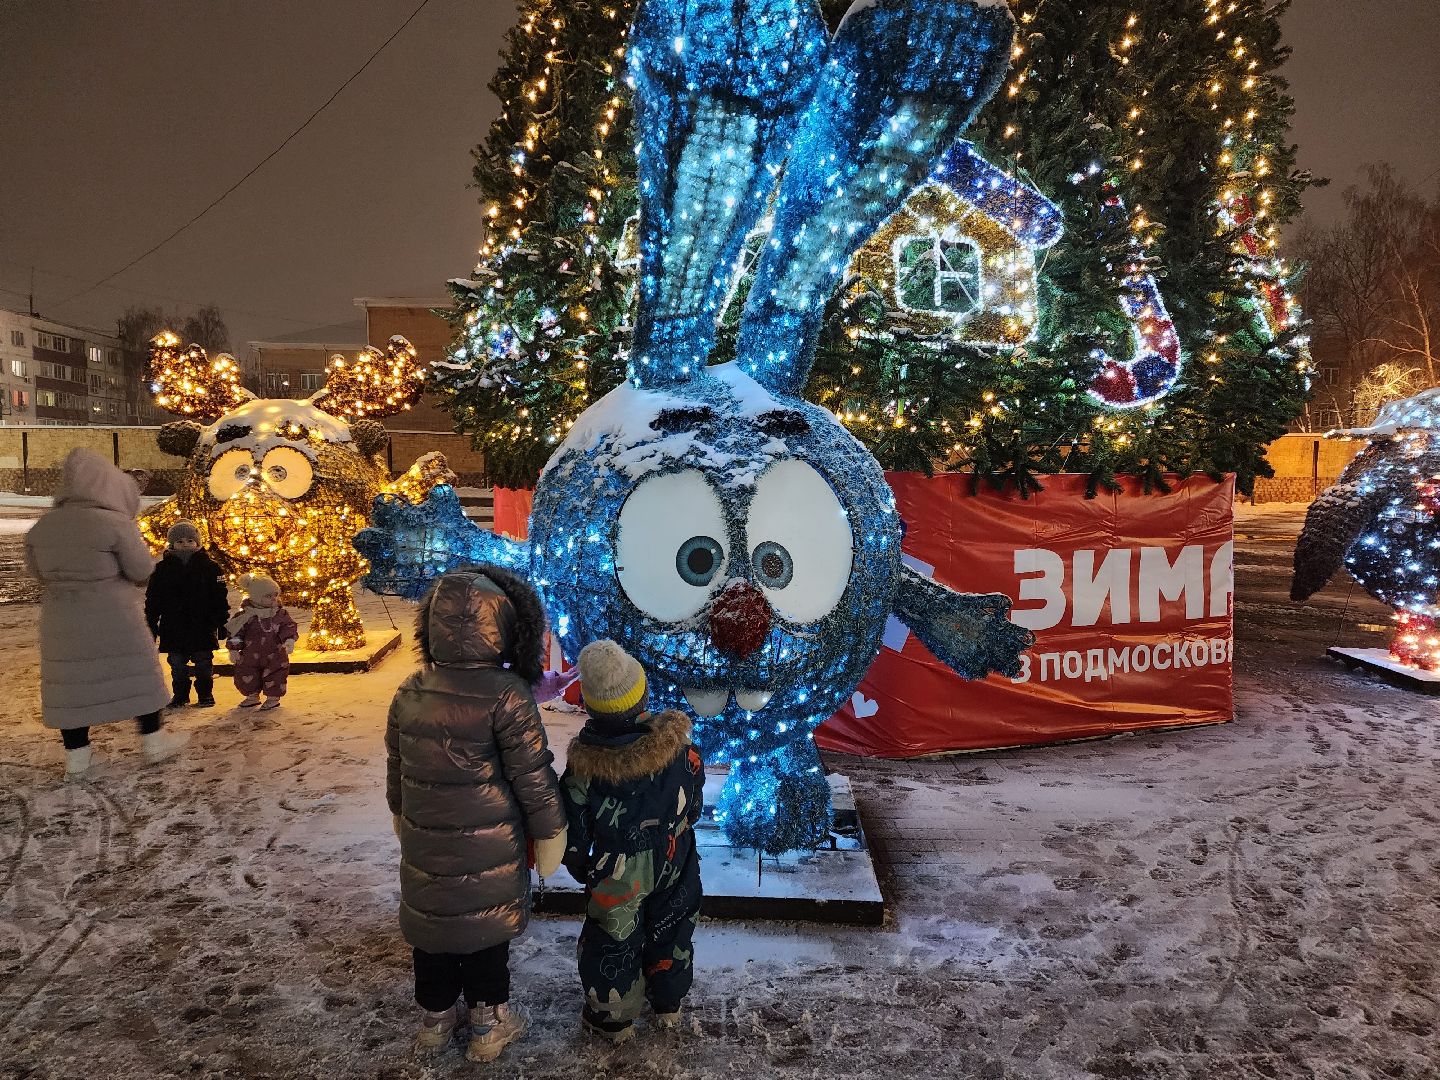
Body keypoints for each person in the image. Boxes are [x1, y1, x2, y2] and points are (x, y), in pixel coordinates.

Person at [385, 565, 568, 1063]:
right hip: (490, 847)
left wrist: (401, 813)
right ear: (506, 628)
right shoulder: (506, 694)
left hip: (426, 842)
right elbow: (532, 774)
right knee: (485, 932)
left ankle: (436, 1019)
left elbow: (397, 764)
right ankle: (488, 1023)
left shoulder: (411, 689)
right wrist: (551, 830)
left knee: (434, 930)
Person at [561, 639, 705, 1043]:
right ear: (643, 695)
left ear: (590, 707)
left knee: (614, 935)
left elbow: (573, 817)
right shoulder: (680, 748)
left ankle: (613, 1018)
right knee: (673, 924)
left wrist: (578, 859)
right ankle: (668, 1001)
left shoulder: (585, 765)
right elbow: (693, 800)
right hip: (675, 856)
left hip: (617, 865)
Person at [25, 448, 186, 780]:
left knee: (70, 685)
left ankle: (78, 760)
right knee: (137, 677)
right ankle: (154, 742)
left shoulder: (43, 527)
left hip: (61, 619)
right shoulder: (114, 524)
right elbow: (140, 571)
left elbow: (37, 573)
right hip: (114, 616)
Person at [145, 519, 229, 708]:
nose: (185, 544)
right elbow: (153, 599)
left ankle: (205, 694)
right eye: (180, 541)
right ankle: (180, 695)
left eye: (190, 540)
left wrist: (221, 621)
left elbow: (219, 597)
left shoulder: (210, 567)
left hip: (202, 625)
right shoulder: (162, 570)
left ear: (197, 543)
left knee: (203, 662)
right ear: (172, 544)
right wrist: (151, 624)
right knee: (177, 664)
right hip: (173, 626)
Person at [224, 574, 298, 710]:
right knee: (247, 673)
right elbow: (235, 633)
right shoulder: (245, 616)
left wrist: (289, 639)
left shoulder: (279, 614)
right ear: (257, 597)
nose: (274, 598)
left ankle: (273, 698)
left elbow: (288, 626)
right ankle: (252, 695)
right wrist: (233, 649)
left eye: (275, 595)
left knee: (276, 674)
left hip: (275, 654)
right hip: (250, 654)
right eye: (268, 596)